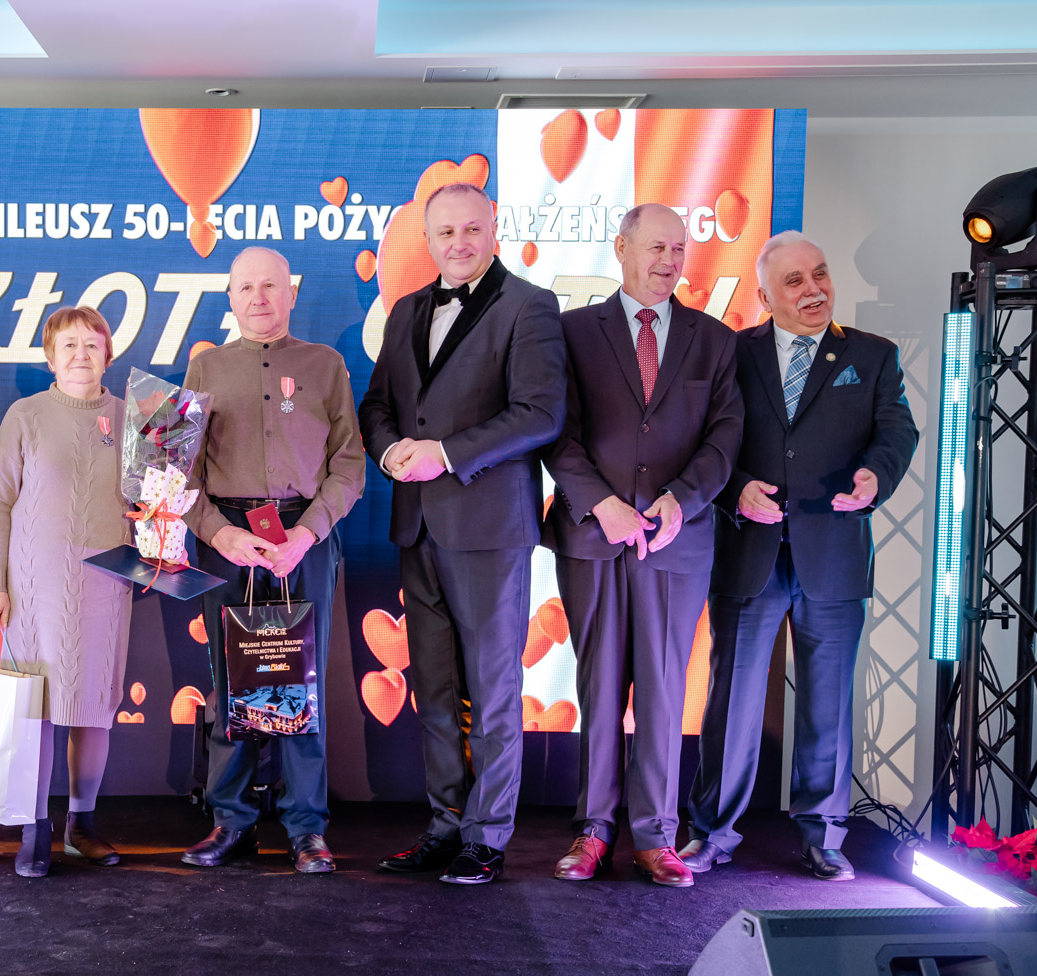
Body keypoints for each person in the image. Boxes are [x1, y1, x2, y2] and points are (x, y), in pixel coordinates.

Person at [681, 231, 918, 881]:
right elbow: (704, 440)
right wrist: (734, 488)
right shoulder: (732, 354)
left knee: (827, 706)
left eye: (820, 274)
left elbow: (897, 430)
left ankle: (824, 839)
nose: (813, 289)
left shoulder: (872, 355)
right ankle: (713, 833)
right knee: (731, 702)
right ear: (764, 297)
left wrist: (876, 477)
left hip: (833, 553)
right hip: (748, 550)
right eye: (794, 281)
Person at [358, 182, 568, 885]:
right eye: (445, 232)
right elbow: (378, 405)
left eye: (471, 229)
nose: (458, 243)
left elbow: (541, 413)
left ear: (493, 229)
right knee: (436, 690)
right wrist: (390, 450)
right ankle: (446, 825)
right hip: (416, 524)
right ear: (428, 239)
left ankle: (488, 836)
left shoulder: (530, 306)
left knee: (494, 688)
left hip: (488, 527)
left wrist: (445, 454)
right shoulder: (408, 309)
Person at [543, 203, 744, 888]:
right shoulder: (571, 332)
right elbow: (554, 430)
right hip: (593, 535)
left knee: (663, 688)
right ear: (622, 248)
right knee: (599, 684)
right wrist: (600, 502)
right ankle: (594, 830)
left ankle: (657, 835)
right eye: (656, 247)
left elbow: (725, 438)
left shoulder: (715, 341)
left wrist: (680, 500)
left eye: (678, 249)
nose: (668, 260)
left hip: (676, 541)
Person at [178, 247, 366, 874]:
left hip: (302, 538)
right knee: (231, 681)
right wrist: (218, 534)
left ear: (291, 293)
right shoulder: (204, 368)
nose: (258, 298)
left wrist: (307, 533)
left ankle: (306, 827)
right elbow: (178, 473)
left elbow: (349, 465)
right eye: (245, 288)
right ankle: (230, 820)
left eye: (270, 286)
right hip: (228, 542)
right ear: (230, 297)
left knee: (299, 682)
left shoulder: (326, 365)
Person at [0, 307, 133, 878]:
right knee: (35, 710)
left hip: (107, 586)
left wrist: (158, 535)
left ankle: (81, 825)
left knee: (93, 709)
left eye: (92, 344)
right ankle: (34, 827)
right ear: (49, 357)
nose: (80, 355)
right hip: (32, 590)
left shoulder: (134, 420)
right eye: (68, 345)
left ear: (107, 355)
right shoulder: (25, 415)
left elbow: (157, 500)